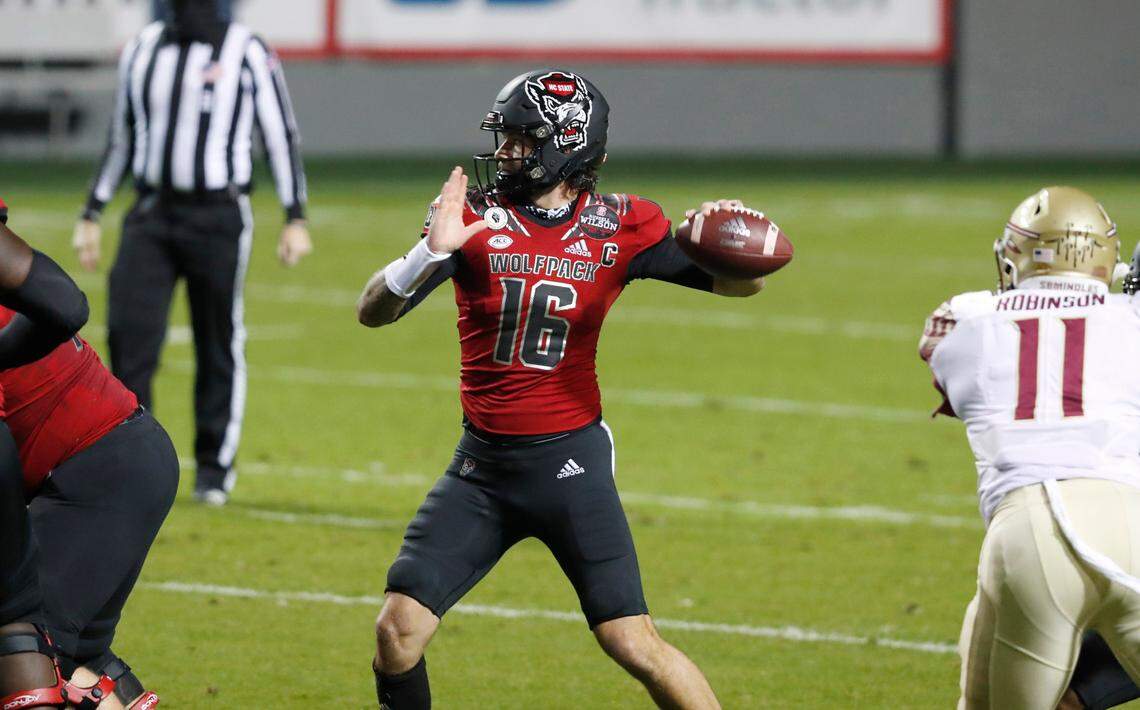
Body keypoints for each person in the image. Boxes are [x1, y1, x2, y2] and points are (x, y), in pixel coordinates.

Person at [357, 70, 771, 709]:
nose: (504, 153)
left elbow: (742, 286)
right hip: (481, 470)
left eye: (521, 140)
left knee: (633, 642)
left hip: (567, 464)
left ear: (566, 146)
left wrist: (729, 244)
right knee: (397, 632)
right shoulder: (474, 218)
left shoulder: (622, 224)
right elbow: (373, 312)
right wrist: (426, 255)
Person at [72, 0, 312, 506]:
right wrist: (92, 210)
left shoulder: (247, 50)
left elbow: (279, 133)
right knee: (128, 335)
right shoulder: (142, 49)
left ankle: (212, 467)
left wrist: (295, 215)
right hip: (151, 213)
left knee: (217, 337)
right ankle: (135, 461)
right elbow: (123, 136)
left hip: (218, 215)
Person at [918, 186, 1140, 709]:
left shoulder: (963, 318)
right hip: (1131, 519)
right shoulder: (1131, 318)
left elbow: (950, 366)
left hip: (1032, 531)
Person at [0, 197, 93, 709]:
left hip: (99, 455)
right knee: (36, 633)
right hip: (111, 450)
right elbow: (64, 303)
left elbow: (66, 306)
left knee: (24, 633)